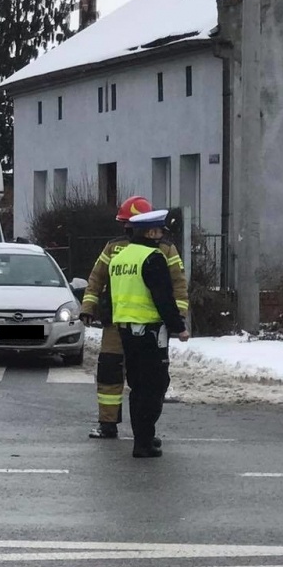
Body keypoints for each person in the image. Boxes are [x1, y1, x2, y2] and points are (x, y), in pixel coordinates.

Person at [80, 195, 187, 440]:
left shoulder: (165, 249)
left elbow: (178, 285)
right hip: (116, 324)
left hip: (151, 327)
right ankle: (108, 424)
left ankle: (146, 431)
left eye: (128, 225)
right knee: (110, 374)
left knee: (150, 381)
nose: (126, 230)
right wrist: (88, 306)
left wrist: (177, 318)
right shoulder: (113, 247)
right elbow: (96, 279)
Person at [107, 207, 189, 458]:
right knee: (155, 386)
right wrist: (179, 327)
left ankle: (143, 439)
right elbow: (163, 297)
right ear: (151, 232)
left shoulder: (120, 258)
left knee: (138, 386)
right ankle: (143, 441)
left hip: (126, 331)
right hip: (150, 332)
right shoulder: (153, 258)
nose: (162, 237)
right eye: (160, 232)